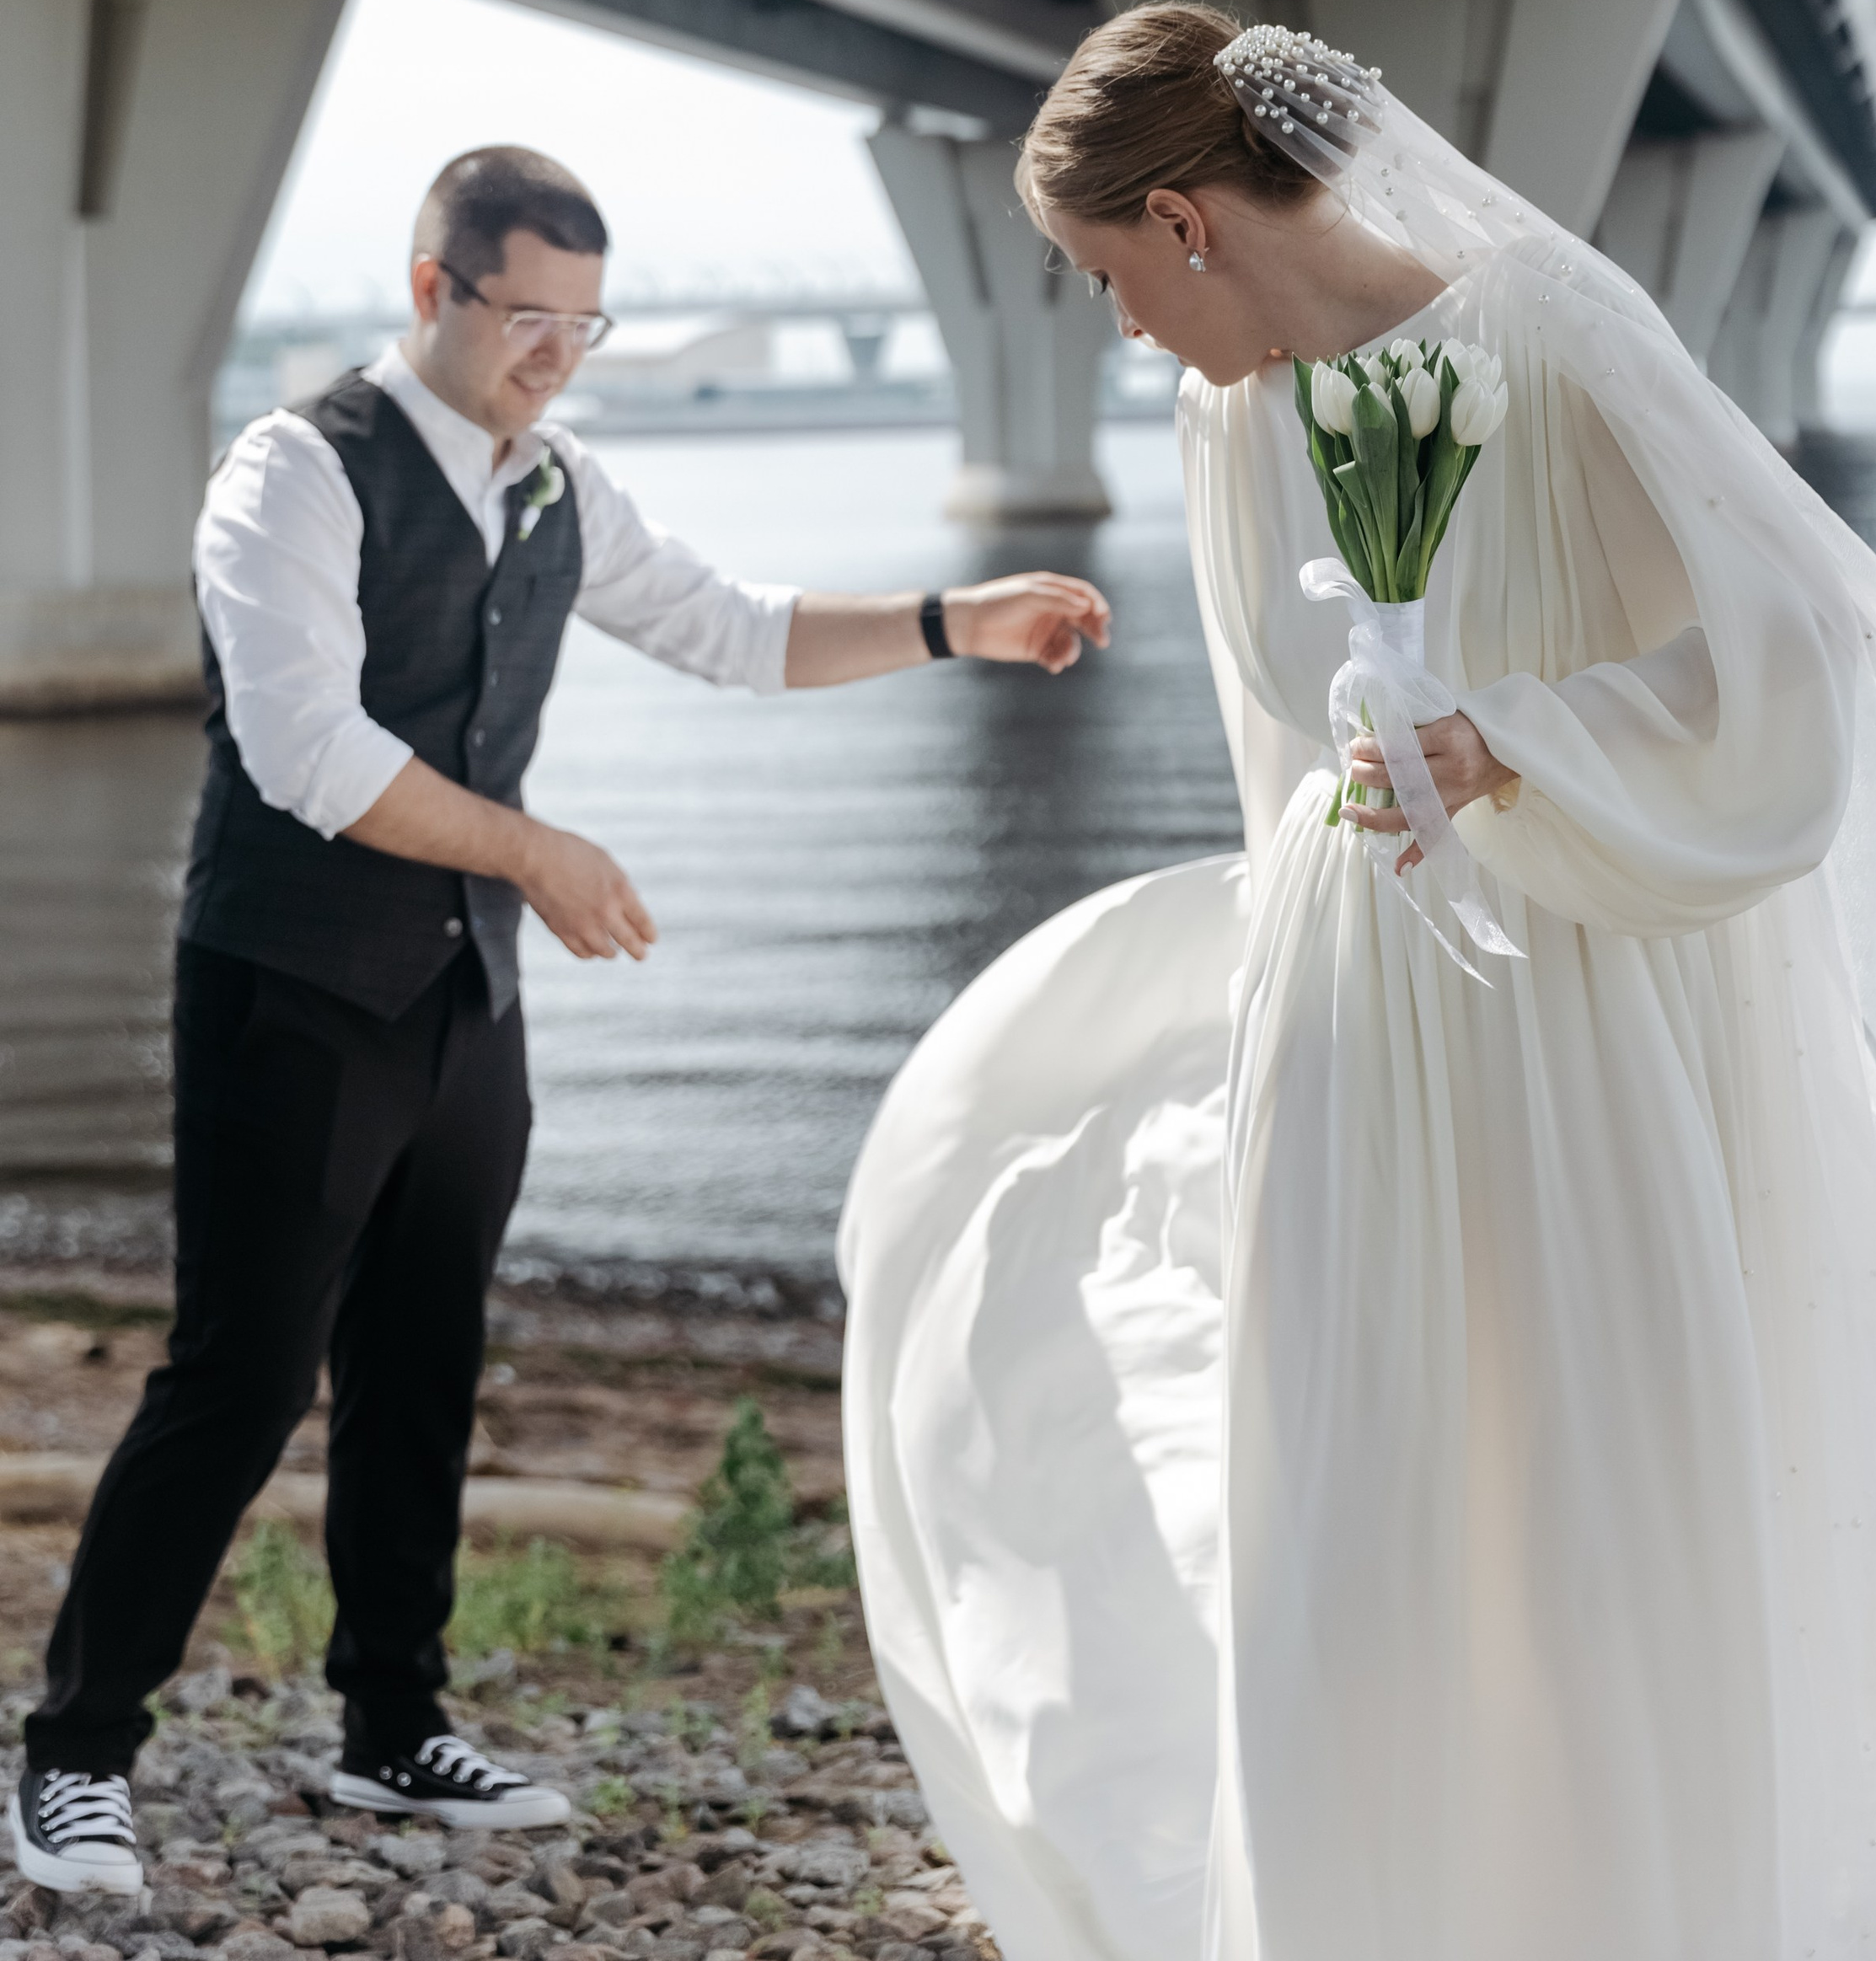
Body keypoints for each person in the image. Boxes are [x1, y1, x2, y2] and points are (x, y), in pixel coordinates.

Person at [838, 4, 1876, 1961]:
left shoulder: (1550, 336)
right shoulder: (1228, 418)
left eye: (1107, 280)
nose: (1117, 333)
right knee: (1355, 1509)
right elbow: (1287, 778)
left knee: (1589, 1507)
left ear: (1184, 223)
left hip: (1574, 1018)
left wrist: (1515, 737)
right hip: (1352, 1027)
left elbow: (1778, 673)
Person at [14, 145, 1107, 1899]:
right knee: (238, 1378)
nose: (558, 358)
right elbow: (307, 753)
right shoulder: (293, 471)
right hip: (285, 988)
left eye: (586, 330)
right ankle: (71, 1754)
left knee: (424, 1361)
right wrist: (534, 848)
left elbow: (730, 631)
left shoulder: (557, 483)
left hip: (462, 993)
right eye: (531, 320)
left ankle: (391, 1729)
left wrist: (945, 620)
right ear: (433, 288)